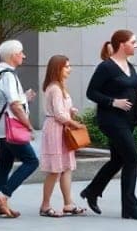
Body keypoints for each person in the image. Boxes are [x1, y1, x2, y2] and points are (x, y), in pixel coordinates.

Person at [82, 30, 137, 220]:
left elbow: (136, 87)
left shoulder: (130, 66)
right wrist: (113, 102)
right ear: (122, 44)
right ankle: (130, 207)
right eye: (133, 42)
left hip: (129, 121)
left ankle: (92, 191)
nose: (136, 45)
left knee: (118, 160)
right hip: (111, 120)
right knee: (132, 158)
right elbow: (91, 92)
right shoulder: (106, 67)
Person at [0, 39, 39, 219]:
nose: (23, 55)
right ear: (12, 55)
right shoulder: (8, 75)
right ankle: (2, 195)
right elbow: (14, 106)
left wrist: (25, 98)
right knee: (31, 161)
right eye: (21, 52)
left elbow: (10, 100)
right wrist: (29, 126)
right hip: (10, 127)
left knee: (5, 163)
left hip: (0, 127)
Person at [38, 55, 85, 218]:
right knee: (55, 169)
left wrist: (71, 112)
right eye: (66, 66)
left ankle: (68, 204)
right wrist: (74, 123)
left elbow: (61, 110)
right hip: (55, 129)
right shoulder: (55, 88)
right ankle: (45, 205)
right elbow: (58, 114)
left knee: (65, 167)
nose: (69, 69)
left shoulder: (59, 87)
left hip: (61, 129)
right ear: (58, 69)